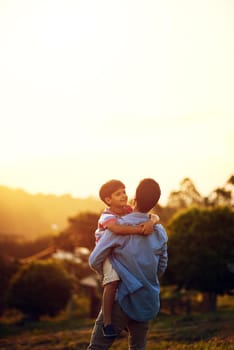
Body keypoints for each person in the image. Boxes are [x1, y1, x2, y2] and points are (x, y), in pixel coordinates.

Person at [87, 178, 168, 350]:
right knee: (138, 347)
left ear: (134, 199)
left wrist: (112, 273)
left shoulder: (119, 227)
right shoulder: (159, 231)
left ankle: (109, 322)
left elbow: (94, 260)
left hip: (119, 300)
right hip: (146, 299)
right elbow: (161, 268)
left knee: (97, 347)